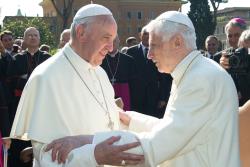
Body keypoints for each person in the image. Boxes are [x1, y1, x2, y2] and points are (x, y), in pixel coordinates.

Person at [45, 11, 240, 167]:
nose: (149, 55)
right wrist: (131, 120)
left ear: (178, 42)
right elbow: (177, 129)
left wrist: (89, 143)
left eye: (154, 46)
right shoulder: (195, 71)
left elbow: (160, 144)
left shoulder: (201, 79)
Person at [10, 4, 143, 167]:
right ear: (81, 33)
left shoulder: (100, 72)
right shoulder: (47, 76)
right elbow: (48, 157)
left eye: (113, 40)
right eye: (106, 38)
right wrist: (95, 156)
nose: (111, 48)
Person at [126, 26, 172, 118]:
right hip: (136, 98)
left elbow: (165, 77)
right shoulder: (131, 52)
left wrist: (163, 97)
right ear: (140, 35)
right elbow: (128, 75)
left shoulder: (159, 51)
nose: (148, 36)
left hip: (155, 98)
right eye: (145, 34)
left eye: (150, 34)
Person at [101, 35, 137, 110]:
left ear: (119, 42)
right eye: (110, 41)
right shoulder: (100, 59)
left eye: (114, 41)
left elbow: (133, 82)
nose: (112, 43)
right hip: (104, 93)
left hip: (124, 93)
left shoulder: (128, 60)